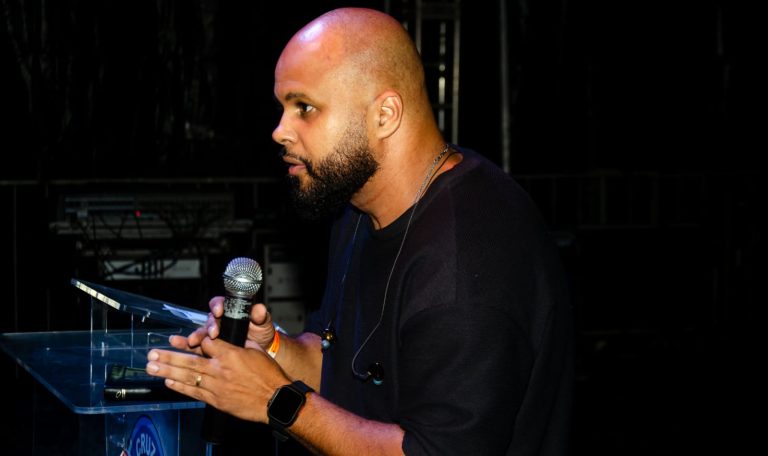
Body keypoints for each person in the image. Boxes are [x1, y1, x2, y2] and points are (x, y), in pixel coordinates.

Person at [145, 7, 573, 455]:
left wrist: (274, 400)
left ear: (384, 114)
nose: (279, 131)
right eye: (282, 108)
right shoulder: (359, 207)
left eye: (304, 108)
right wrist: (271, 350)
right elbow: (341, 366)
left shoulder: (465, 261)